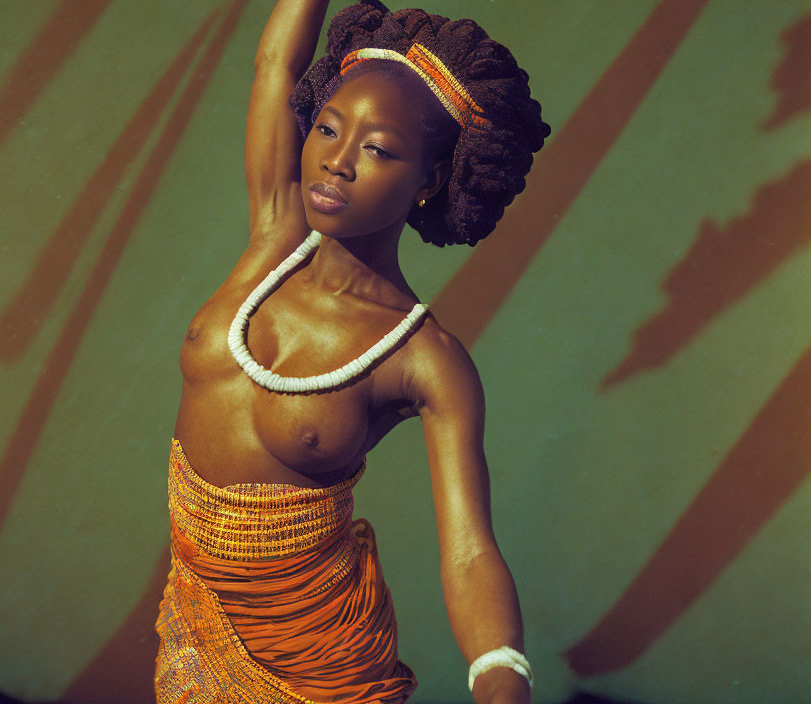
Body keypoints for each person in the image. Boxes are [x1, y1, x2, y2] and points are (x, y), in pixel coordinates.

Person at [153, 0, 550, 702]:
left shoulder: (424, 357)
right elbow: (276, 64)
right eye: (329, 129)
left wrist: (500, 675)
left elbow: (468, 550)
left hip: (318, 665)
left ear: (428, 182)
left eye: (378, 149)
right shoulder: (274, 234)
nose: (336, 161)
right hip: (197, 627)